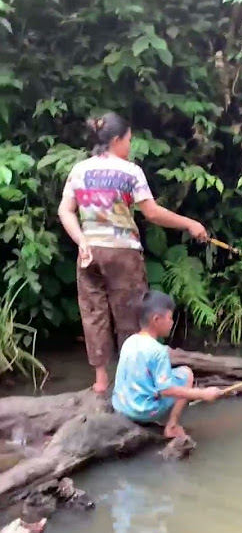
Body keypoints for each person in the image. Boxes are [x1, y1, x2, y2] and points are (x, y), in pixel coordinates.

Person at [58, 111, 208, 393]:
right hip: (123, 253)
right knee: (131, 316)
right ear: (116, 140)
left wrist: (81, 240)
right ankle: (131, 382)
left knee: (93, 315)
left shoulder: (80, 170)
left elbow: (65, 211)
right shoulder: (130, 172)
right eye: (128, 140)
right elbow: (151, 213)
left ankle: (101, 382)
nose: (130, 145)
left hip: (89, 253)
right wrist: (190, 224)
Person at [112, 290, 222, 439]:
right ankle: (172, 425)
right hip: (143, 411)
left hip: (121, 406)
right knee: (187, 373)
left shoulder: (130, 341)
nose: (172, 322)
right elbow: (166, 390)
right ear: (156, 320)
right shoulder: (158, 351)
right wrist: (202, 394)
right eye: (170, 318)